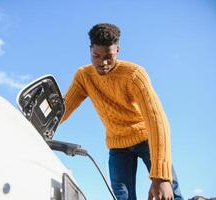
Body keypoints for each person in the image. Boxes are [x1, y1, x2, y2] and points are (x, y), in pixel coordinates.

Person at [60, 23, 183, 200]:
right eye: (96, 55)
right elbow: (62, 109)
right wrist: (35, 127)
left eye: (109, 56)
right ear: (90, 50)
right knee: (122, 197)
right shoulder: (84, 76)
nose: (102, 63)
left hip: (146, 138)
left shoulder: (134, 75)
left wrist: (161, 177)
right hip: (117, 145)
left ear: (118, 50)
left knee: (169, 192)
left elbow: (157, 120)